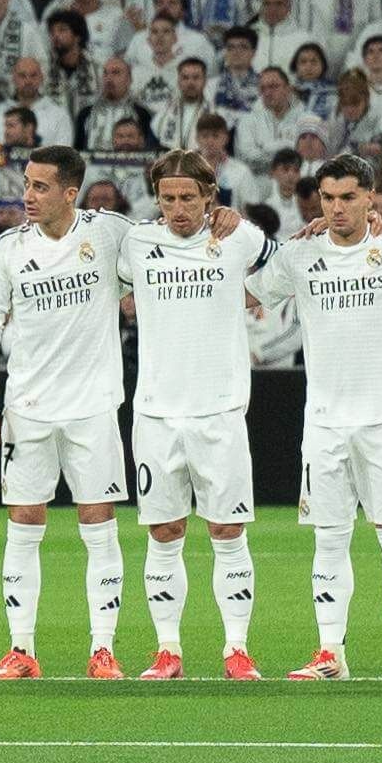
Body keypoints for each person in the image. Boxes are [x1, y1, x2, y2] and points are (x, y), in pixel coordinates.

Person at [0, 141, 131, 678]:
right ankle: (22, 649)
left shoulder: (108, 234)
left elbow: (171, 241)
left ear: (69, 192)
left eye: (40, 186)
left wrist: (219, 219)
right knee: (24, 522)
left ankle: (102, 650)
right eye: (26, 184)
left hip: (93, 406)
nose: (28, 195)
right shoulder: (10, 248)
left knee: (98, 524)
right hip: (28, 408)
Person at [282, 157, 382, 679]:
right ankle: (331, 652)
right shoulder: (300, 254)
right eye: (327, 198)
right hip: (323, 422)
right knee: (329, 539)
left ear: (371, 197)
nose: (336, 208)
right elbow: (246, 283)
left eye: (348, 197)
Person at [123, 147, 271, 679]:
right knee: (163, 533)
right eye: (168, 198)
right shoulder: (136, 243)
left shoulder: (239, 239)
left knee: (227, 532)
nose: (178, 208)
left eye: (189, 197)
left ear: (211, 195)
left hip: (220, 412)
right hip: (156, 414)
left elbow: (293, 261)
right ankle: (168, 650)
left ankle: (237, 649)